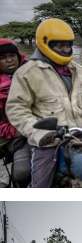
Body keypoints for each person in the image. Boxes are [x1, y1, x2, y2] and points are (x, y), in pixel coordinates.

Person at [6, 19, 82, 188]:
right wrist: (39, 134)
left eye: (68, 45)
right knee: (41, 188)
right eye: (59, 45)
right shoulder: (27, 73)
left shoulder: (78, 70)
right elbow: (17, 110)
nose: (65, 49)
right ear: (44, 43)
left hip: (81, 134)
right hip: (49, 143)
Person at [0, 39, 30, 187]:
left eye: (12, 55)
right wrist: (14, 131)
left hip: (42, 125)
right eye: (3, 57)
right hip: (13, 134)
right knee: (22, 172)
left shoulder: (33, 71)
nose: (9, 60)